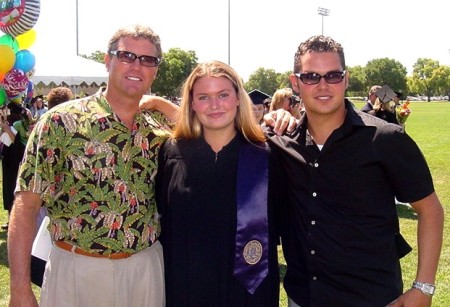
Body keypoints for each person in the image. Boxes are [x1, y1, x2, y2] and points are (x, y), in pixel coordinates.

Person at [266, 35, 444, 306]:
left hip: (373, 297)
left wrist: (423, 287)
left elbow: (430, 209)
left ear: (346, 79)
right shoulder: (281, 142)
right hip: (304, 297)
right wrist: (271, 116)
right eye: (311, 76)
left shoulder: (385, 138)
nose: (323, 85)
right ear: (295, 83)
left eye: (333, 75)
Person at [8, 24, 175, 307]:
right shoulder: (61, 122)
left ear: (155, 70)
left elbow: (214, 133)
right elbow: (26, 206)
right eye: (126, 55)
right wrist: (20, 290)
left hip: (145, 270)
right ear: (107, 60)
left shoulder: (162, 129)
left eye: (148, 60)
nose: (137, 65)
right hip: (78, 271)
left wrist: (163, 105)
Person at [155, 60, 280, 306]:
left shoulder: (265, 155)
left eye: (223, 94)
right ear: (191, 103)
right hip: (186, 287)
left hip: (248, 291)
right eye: (203, 97)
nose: (214, 105)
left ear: (237, 98)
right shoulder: (171, 153)